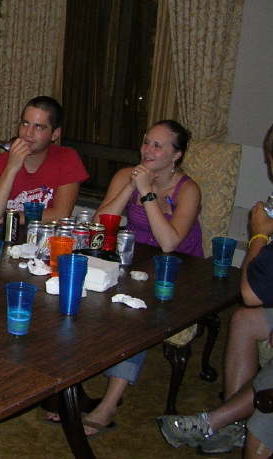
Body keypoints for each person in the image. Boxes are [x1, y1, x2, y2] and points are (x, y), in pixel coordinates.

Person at [59, 120, 202, 437]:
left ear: (176, 155)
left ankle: (109, 405)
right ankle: (72, 386)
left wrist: (147, 192)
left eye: (158, 146)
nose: (147, 150)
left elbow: (169, 243)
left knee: (134, 315)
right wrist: (130, 186)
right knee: (81, 290)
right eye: (146, 142)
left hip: (176, 272)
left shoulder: (188, 190)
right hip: (134, 262)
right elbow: (99, 224)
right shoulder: (128, 175)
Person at [157, 122, 273, 455]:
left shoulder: (187, 189)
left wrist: (258, 235)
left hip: (185, 271)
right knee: (244, 320)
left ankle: (215, 422)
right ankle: (234, 427)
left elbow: (251, 293)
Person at [0, 96, 88, 226]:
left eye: (38, 127)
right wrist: (11, 169)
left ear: (55, 134)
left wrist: (7, 217)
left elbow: (61, 214)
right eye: (25, 124)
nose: (28, 133)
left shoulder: (67, 158)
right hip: (3, 237)